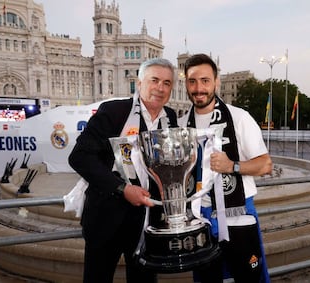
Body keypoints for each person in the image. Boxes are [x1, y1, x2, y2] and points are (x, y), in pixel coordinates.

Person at [68, 57, 178, 283]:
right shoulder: (114, 111)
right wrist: (121, 188)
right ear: (139, 84)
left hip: (149, 224)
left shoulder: (172, 119)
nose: (160, 87)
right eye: (154, 80)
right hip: (106, 218)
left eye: (167, 83)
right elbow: (79, 157)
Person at [178, 53, 273, 283]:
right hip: (200, 217)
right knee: (205, 279)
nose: (198, 88)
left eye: (205, 80)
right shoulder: (181, 124)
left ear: (216, 81)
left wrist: (233, 165)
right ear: (186, 84)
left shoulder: (239, 118)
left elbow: (266, 165)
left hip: (238, 212)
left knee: (250, 278)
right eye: (192, 81)